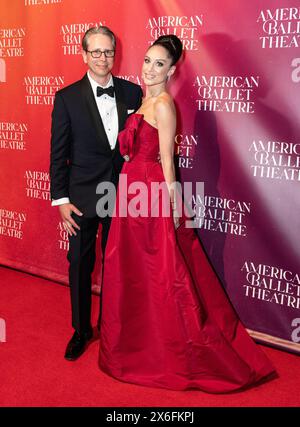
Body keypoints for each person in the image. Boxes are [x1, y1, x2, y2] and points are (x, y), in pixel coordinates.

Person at [98, 35, 277, 392]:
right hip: (130, 192)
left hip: (149, 196)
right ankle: (134, 344)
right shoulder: (143, 100)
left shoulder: (164, 105)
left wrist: (173, 205)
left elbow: (167, 161)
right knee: (133, 271)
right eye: (148, 60)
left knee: (161, 275)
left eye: (159, 64)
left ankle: (168, 351)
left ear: (172, 69)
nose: (149, 69)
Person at [50, 26, 143, 361]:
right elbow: (58, 153)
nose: (103, 58)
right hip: (81, 198)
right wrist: (61, 200)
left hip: (121, 195)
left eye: (108, 52)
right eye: (96, 52)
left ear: (114, 54)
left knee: (117, 264)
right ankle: (81, 330)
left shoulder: (134, 94)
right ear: (84, 54)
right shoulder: (67, 98)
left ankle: (113, 326)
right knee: (79, 264)